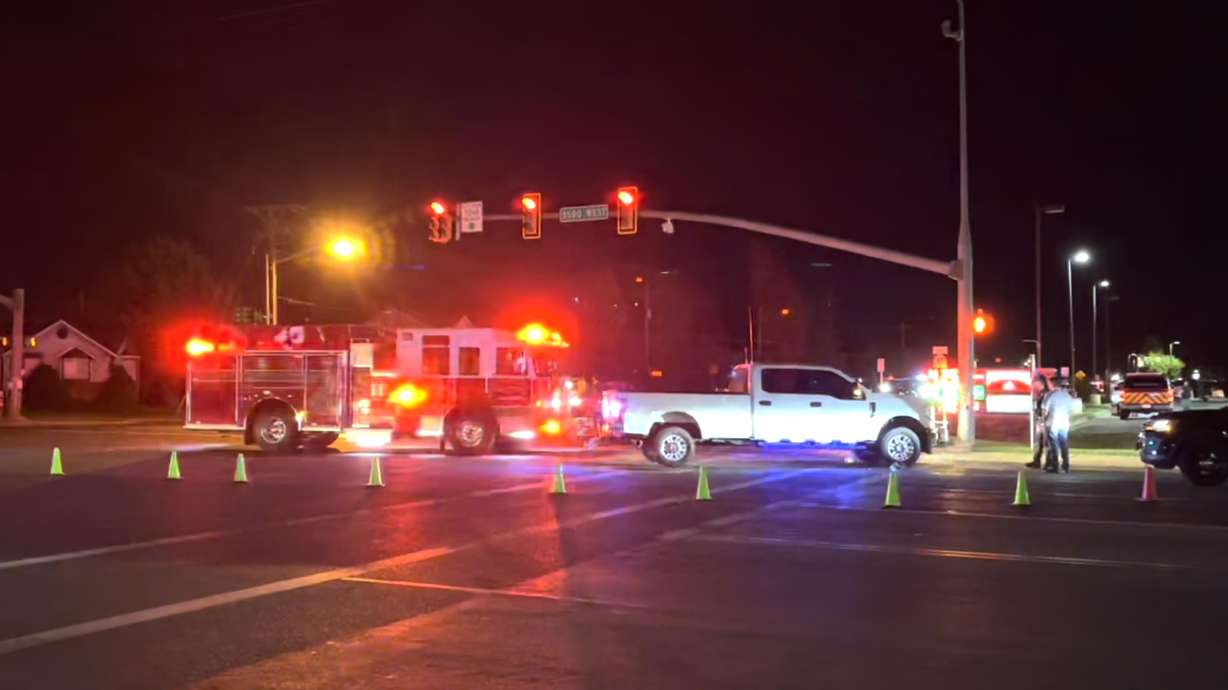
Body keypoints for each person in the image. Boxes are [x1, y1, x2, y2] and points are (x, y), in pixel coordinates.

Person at [1043, 378, 1076, 473]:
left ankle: (1055, 465)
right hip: (1064, 421)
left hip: (1054, 421)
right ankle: (1066, 465)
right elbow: (1071, 411)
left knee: (1053, 444)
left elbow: (1045, 410)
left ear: (1054, 385)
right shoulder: (1067, 396)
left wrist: (1043, 422)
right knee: (1064, 443)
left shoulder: (1051, 395)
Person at [1025, 375, 1051, 469]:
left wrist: (1042, 417)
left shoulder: (1047, 393)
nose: (1033, 385)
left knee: (1047, 442)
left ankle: (1048, 462)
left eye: (1035, 383)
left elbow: (1045, 408)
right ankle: (1037, 461)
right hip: (1041, 420)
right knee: (1040, 442)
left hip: (1045, 420)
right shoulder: (1041, 393)